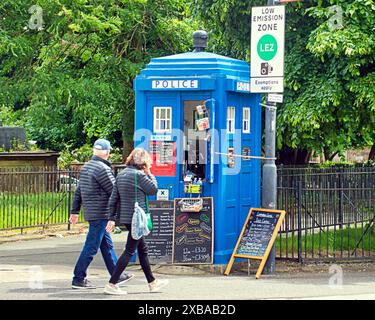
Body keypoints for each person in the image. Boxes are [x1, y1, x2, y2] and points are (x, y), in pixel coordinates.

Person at [104, 148, 169, 295]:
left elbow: (113, 198)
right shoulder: (139, 175)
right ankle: (112, 284)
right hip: (137, 219)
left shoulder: (121, 175)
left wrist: (112, 218)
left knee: (142, 249)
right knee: (129, 250)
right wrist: (150, 173)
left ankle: (152, 283)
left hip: (127, 218)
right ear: (143, 162)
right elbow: (153, 190)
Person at [69, 139, 133, 289]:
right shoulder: (102, 169)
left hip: (93, 212)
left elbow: (79, 191)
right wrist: (115, 215)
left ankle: (116, 275)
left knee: (107, 246)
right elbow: (114, 192)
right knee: (91, 246)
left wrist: (75, 211)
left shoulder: (86, 167)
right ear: (107, 153)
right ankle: (78, 278)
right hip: (100, 213)